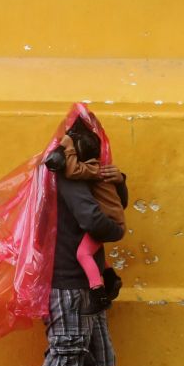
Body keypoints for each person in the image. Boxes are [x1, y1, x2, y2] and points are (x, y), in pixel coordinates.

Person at [0, 110, 149, 366]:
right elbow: (93, 219)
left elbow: (111, 202)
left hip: (87, 283)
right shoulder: (68, 177)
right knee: (64, 361)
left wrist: (119, 181)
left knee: (100, 357)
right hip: (69, 282)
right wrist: (118, 231)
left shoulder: (82, 173)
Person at [45, 116, 124, 313]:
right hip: (112, 224)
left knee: (84, 253)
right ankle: (109, 276)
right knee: (91, 248)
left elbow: (73, 172)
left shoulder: (86, 170)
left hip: (72, 283)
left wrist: (67, 146)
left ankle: (99, 293)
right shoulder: (96, 168)